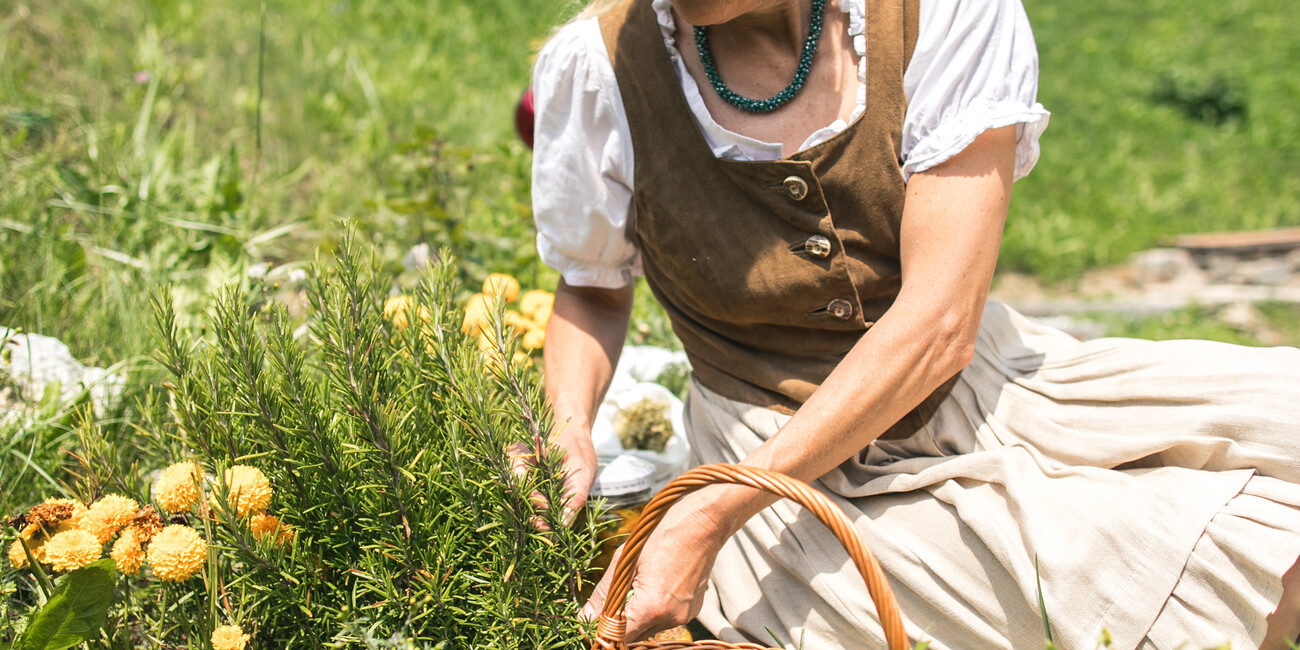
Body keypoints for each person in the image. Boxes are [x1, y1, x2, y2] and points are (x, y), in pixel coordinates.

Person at [526, 0, 1300, 646]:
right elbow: (592, 289)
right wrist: (571, 432)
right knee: (1131, 556)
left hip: (981, 392)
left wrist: (704, 516)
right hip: (773, 466)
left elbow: (938, 323)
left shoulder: (944, 13)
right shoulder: (598, 67)